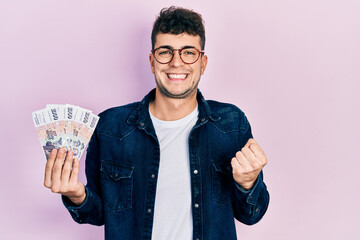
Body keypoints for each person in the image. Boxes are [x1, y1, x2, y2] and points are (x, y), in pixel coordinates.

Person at [44, 6, 270, 240]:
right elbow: (99, 213)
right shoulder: (110, 127)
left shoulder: (232, 124)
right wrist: (77, 196)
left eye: (188, 52)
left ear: (202, 63)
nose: (176, 62)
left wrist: (248, 183)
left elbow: (251, 215)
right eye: (165, 52)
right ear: (152, 62)